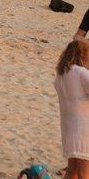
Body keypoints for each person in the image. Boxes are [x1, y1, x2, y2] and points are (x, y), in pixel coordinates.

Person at [54, 39, 89, 179]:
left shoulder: (60, 75)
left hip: (68, 128)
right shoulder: (81, 72)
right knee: (84, 174)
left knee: (72, 171)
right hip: (84, 129)